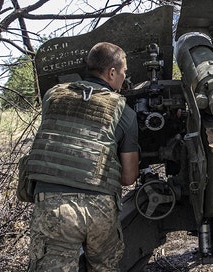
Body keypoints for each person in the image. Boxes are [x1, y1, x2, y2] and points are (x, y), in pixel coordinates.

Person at [21, 42, 139, 271]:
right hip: (100, 211)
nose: (124, 78)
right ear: (112, 72)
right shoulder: (125, 112)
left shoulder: (53, 96)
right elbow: (128, 177)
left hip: (54, 209)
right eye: (124, 72)